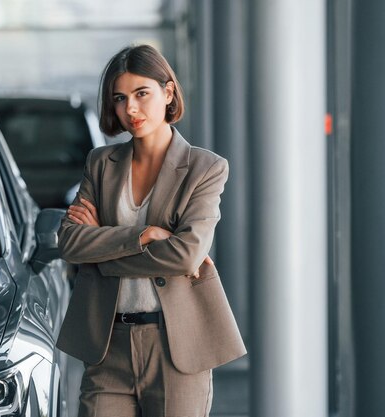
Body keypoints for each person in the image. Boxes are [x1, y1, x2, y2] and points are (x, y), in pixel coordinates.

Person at [56, 44, 246, 417]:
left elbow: (186, 254)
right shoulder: (101, 163)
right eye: (120, 98)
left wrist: (103, 255)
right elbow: (70, 242)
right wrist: (142, 236)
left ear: (168, 92)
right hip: (108, 345)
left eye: (142, 93)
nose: (130, 109)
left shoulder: (204, 168)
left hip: (177, 346)